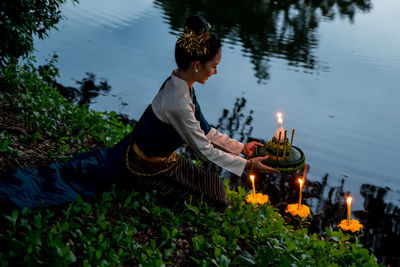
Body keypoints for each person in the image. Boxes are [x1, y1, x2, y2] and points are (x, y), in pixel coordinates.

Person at [0, 15, 278, 211]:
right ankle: (138, 183)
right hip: (146, 168)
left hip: (165, 160)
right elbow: (203, 149)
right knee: (216, 199)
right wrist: (247, 166)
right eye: (214, 65)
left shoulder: (181, 83)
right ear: (196, 64)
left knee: (215, 186)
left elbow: (204, 129)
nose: (215, 71)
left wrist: (242, 148)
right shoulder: (178, 101)